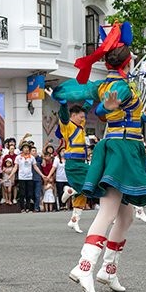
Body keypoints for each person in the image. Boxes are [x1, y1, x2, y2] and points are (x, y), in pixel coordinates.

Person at [54, 21, 146, 292]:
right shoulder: (120, 87)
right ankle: (84, 266)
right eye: (133, 55)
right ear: (127, 61)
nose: (135, 58)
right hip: (122, 148)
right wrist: (104, 108)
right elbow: (102, 109)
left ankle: (108, 270)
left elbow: (65, 93)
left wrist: (68, 95)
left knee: (125, 216)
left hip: (122, 146)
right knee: (109, 211)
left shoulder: (104, 84)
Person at [47, 88, 90, 233]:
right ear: (74, 115)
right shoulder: (67, 125)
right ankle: (69, 189)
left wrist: (95, 92)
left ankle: (74, 220)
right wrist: (63, 103)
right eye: (81, 116)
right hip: (73, 164)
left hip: (81, 162)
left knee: (83, 193)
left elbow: (88, 105)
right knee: (92, 180)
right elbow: (64, 116)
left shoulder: (81, 125)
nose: (83, 118)